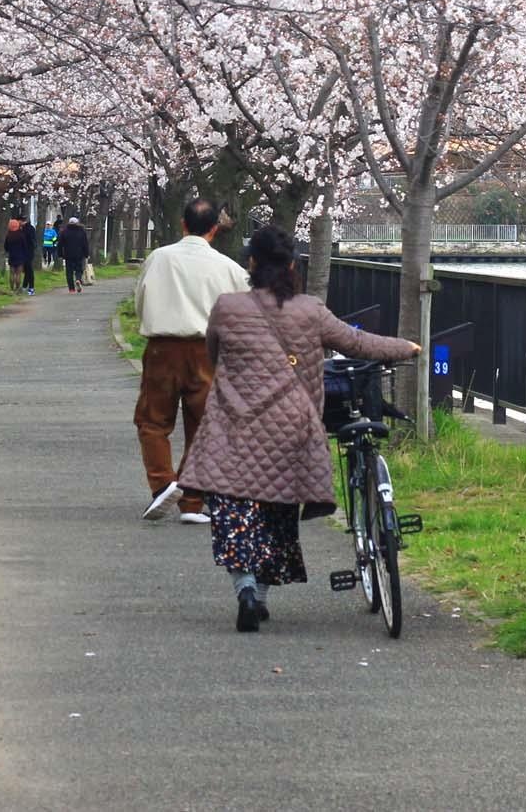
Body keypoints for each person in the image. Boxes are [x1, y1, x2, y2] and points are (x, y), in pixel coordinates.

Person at [178, 224, 419, 631]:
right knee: (276, 513)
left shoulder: (227, 307)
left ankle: (247, 590)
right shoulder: (310, 310)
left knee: (235, 513)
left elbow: (214, 354)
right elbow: (356, 344)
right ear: (292, 265)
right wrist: (407, 347)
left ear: (250, 263)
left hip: (233, 425)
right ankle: (263, 594)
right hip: (291, 426)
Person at [136, 200, 250, 524]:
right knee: (203, 426)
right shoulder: (228, 267)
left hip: (162, 348)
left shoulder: (159, 258)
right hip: (208, 351)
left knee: (153, 420)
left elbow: (140, 299)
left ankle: (162, 484)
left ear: (182, 224)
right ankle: (192, 500)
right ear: (215, 229)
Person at [58, 215, 92, 292]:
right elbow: (85, 244)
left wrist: (60, 254)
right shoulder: (81, 231)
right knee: (79, 269)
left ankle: (71, 289)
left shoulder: (64, 231)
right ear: (77, 223)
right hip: (79, 254)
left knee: (69, 272)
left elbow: (60, 244)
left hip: (68, 254)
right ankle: (78, 279)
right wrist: (87, 254)